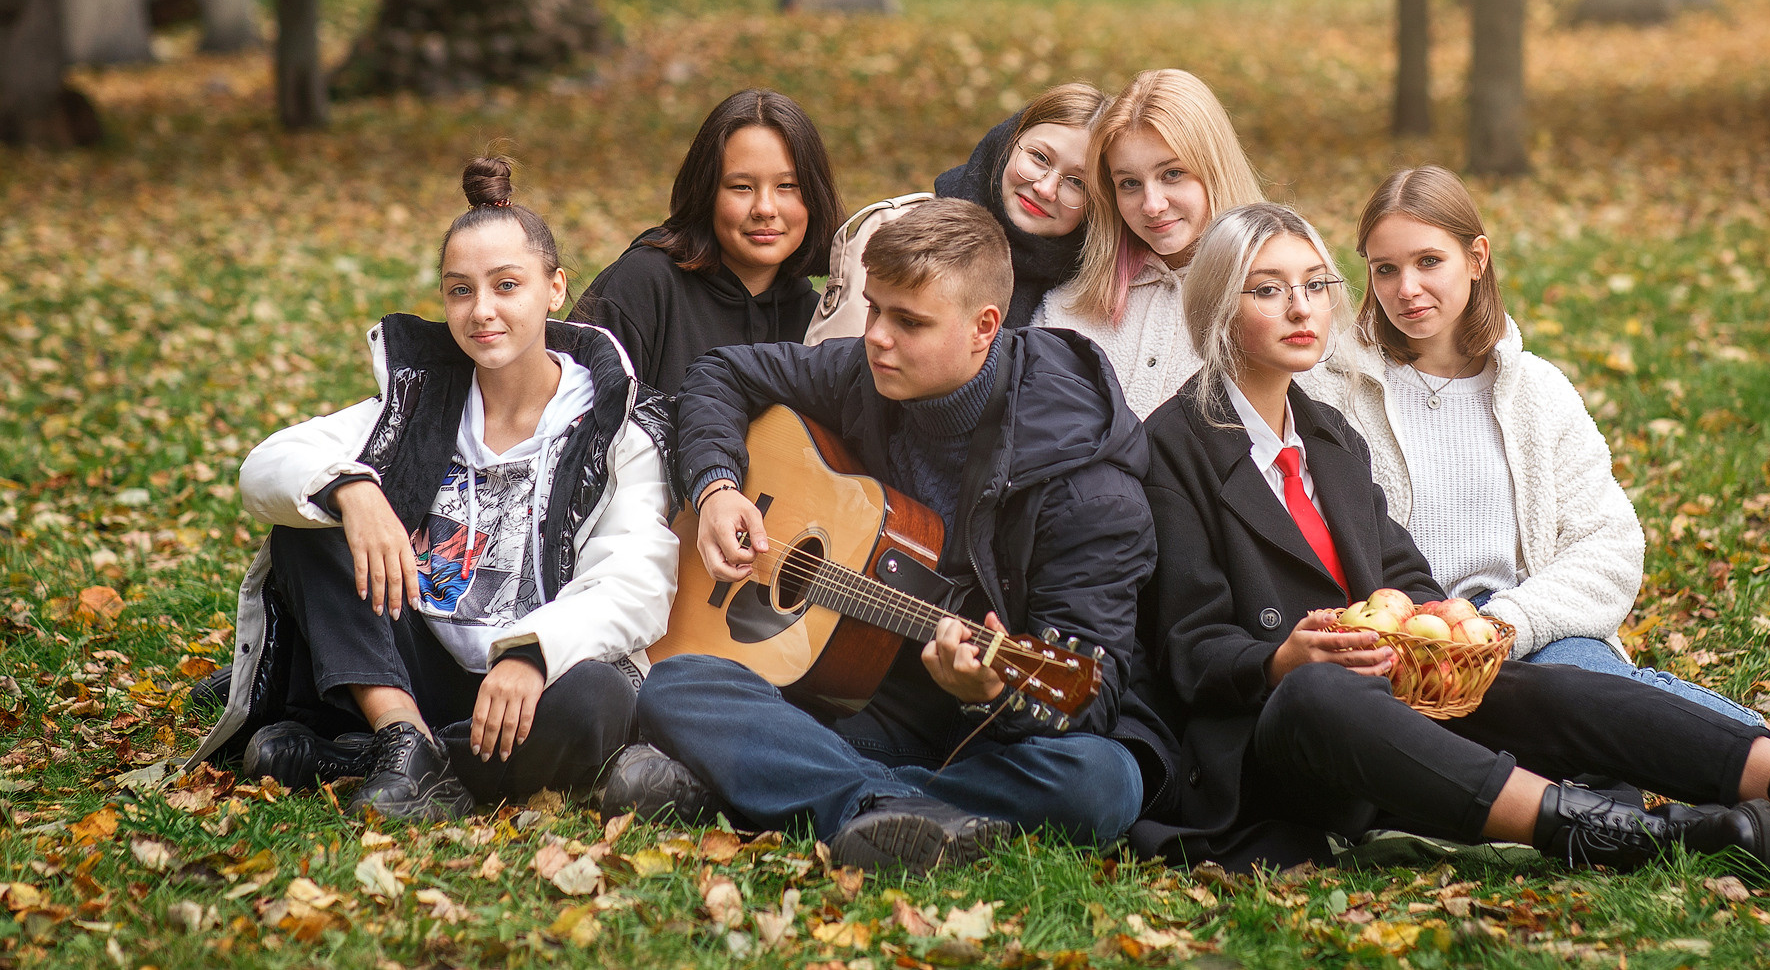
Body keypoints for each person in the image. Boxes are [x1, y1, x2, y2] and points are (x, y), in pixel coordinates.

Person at [1131, 202, 1770, 879]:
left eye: (1316, 284)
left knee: (1555, 684)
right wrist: (1285, 660)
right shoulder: (1176, 443)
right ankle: (1608, 833)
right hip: (1272, 743)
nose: (1303, 307)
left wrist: (1445, 629)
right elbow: (1188, 651)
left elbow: (1398, 571)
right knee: (1324, 697)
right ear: (1217, 304)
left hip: (1392, 700)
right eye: (1268, 287)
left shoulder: (1325, 434)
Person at [1310, 166, 1770, 787]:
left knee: (1584, 680)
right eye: (1385, 269)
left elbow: (1610, 546)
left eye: (1428, 261)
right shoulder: (1333, 393)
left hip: (1523, 628)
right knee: (1569, 728)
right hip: (1402, 640)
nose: (1406, 288)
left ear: (1477, 258)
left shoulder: (1536, 394)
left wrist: (1507, 624)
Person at [601, 198, 1155, 870]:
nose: (877, 338)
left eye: (909, 322)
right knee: (677, 685)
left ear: (985, 327)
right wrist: (717, 487)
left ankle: (828, 796)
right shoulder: (869, 373)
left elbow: (1089, 697)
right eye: (874, 310)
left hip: (993, 739)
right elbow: (721, 374)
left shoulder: (1090, 488)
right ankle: (897, 811)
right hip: (864, 704)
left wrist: (995, 691)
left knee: (1103, 782)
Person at [192, 156, 680, 819]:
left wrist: (534, 654)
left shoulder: (616, 426)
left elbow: (636, 579)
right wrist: (356, 492)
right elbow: (269, 465)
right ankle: (401, 736)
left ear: (555, 287)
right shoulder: (418, 402)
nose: (483, 312)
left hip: (535, 684)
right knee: (307, 527)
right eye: (460, 290)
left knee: (600, 698)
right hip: (416, 667)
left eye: (507, 285)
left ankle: (377, 759)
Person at [568, 89, 842, 400]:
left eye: (787, 186)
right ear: (706, 193)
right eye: (741, 186)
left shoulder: (821, 324)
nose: (765, 208)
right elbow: (561, 423)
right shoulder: (642, 286)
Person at [1036, 68, 1261, 416]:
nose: (1152, 205)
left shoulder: (1282, 297)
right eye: (1129, 183)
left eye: (1172, 174)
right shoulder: (1065, 312)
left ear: (1214, 169)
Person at [806, 83, 1109, 341]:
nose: (1045, 188)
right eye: (1039, 158)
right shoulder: (896, 229)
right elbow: (828, 376)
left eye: (1076, 183)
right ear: (1008, 143)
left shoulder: (1096, 289)